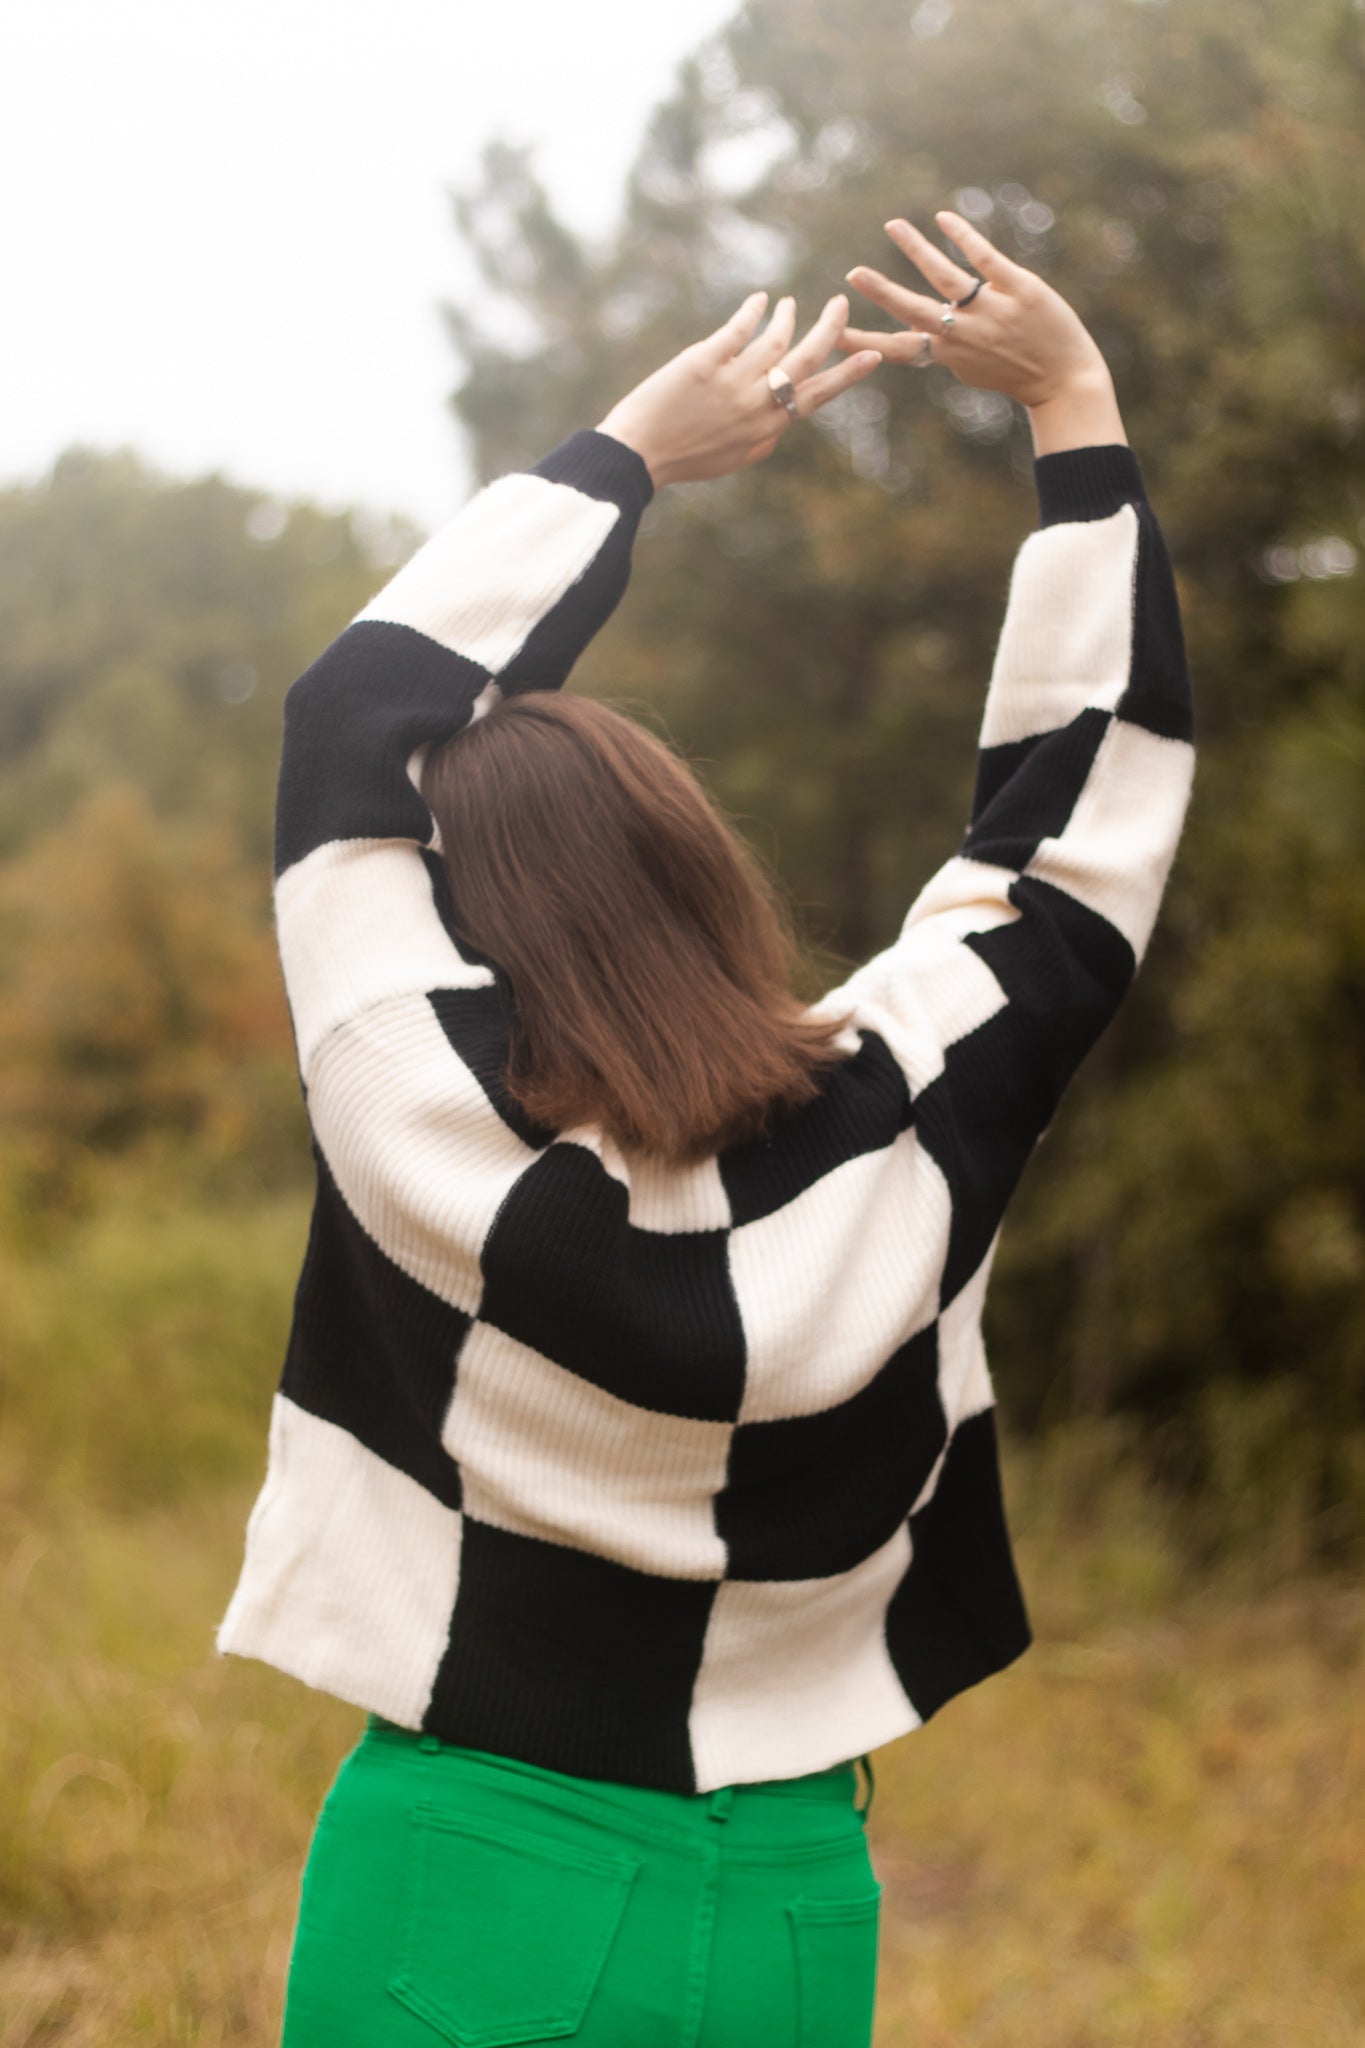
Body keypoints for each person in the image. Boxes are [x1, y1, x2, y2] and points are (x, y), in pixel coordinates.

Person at [215, 207, 1195, 2047]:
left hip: (466, 1856)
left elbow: (353, 715)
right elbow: (1075, 834)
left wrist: (627, 456)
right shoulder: (910, 1102)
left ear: (466, 916)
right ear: (688, 871)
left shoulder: (410, 1090)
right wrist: (1074, 412)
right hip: (791, 1905)